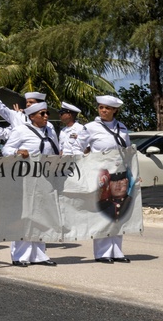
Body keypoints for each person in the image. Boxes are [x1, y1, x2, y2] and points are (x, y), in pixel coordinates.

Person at [1, 102, 60, 267]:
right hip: (25, 178)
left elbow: (55, 151)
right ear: (32, 116)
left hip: (45, 178)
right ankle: (20, 255)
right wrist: (17, 152)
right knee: (24, 216)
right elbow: (6, 150)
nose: (46, 116)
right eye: (42, 114)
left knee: (42, 215)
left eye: (47, 113)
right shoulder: (21, 130)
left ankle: (39, 254)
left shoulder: (50, 130)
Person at [74, 95, 132, 263]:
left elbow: (128, 150)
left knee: (118, 211)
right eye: (101, 107)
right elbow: (77, 147)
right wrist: (86, 165)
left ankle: (116, 250)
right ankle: (102, 252)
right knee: (103, 211)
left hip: (120, 173)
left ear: (115, 110)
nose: (103, 110)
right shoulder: (91, 127)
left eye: (107, 108)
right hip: (100, 174)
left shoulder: (122, 127)